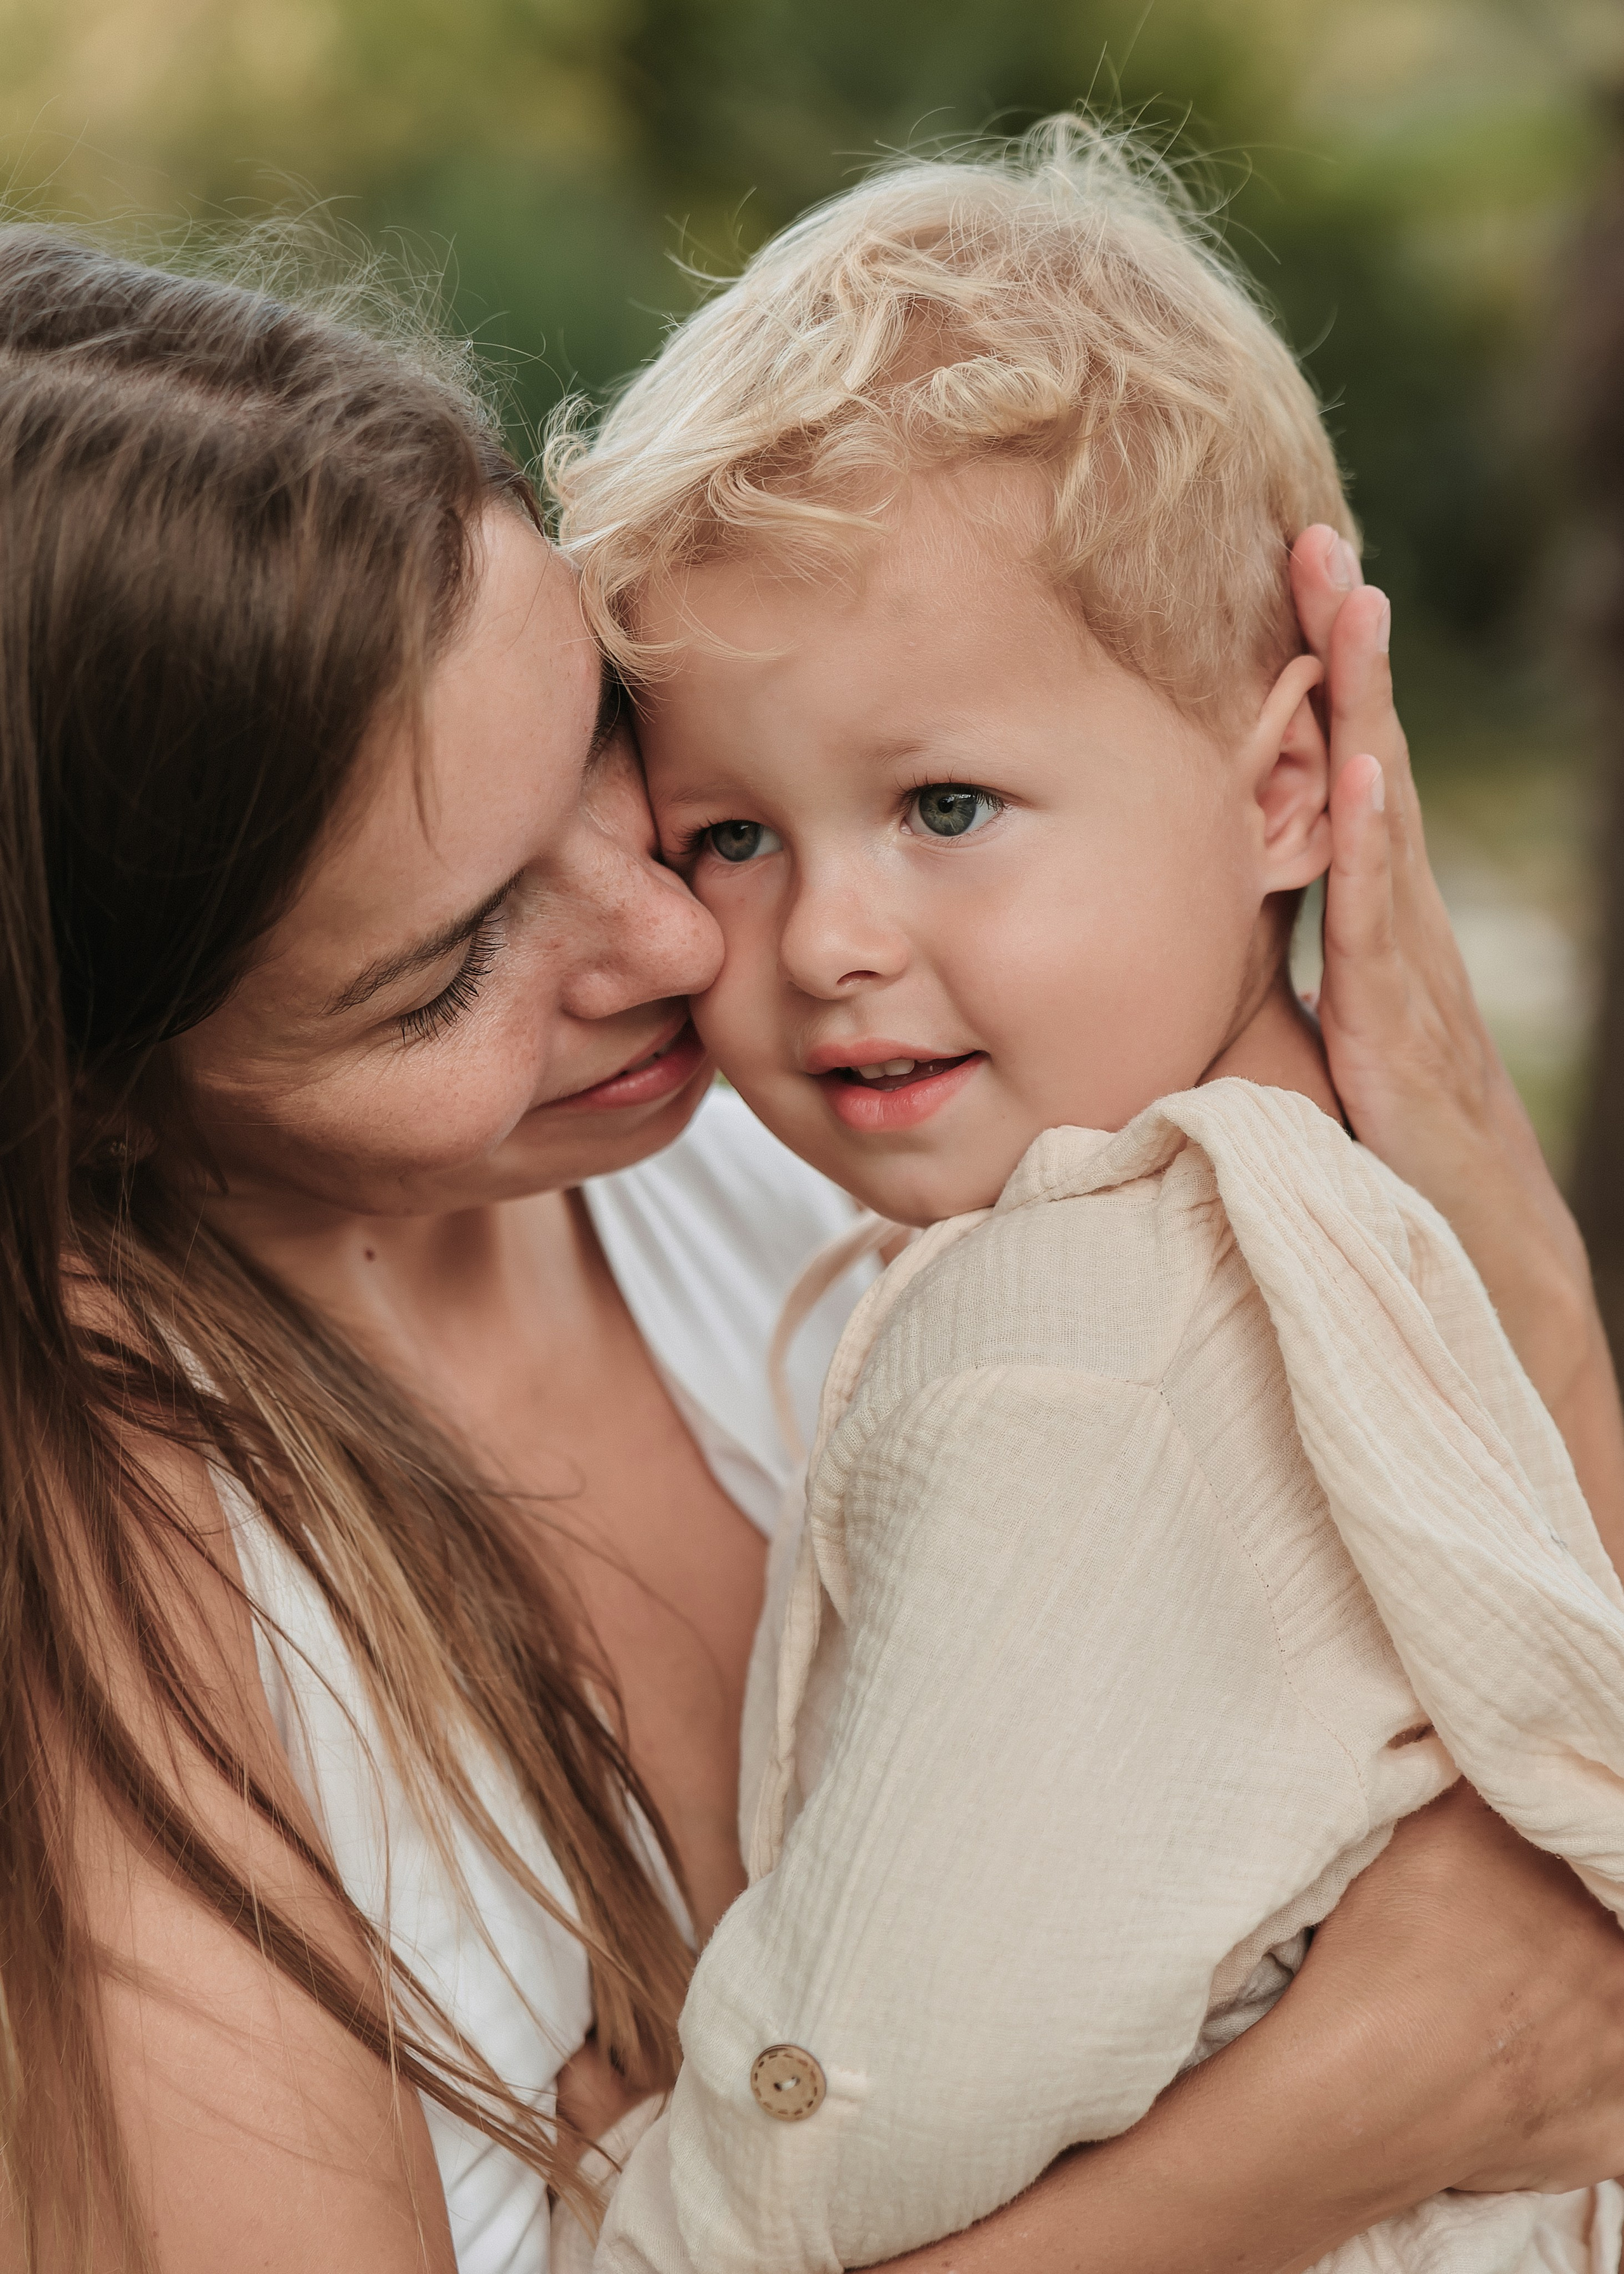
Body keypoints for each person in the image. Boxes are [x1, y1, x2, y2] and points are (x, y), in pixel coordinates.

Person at [0, 218, 1621, 2274]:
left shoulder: (842, 1135)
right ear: (98, 1096)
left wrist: (1487, 1220)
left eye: (602, 758)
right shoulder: (120, 1560)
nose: (686, 941)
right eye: (448, 966)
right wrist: (1350, 2116)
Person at [556, 124, 1624, 2273]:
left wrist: (632, 2201)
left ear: (1290, 789)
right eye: (732, 836)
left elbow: (872, 2101)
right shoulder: (1337, 1222)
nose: (829, 938)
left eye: (947, 804)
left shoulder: (1068, 1352)